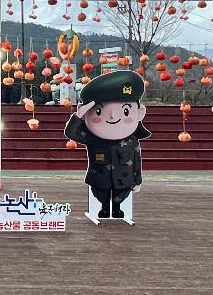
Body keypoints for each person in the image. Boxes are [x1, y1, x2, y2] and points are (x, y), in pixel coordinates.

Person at [64, 70, 151, 221]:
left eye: (125, 111)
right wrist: (78, 116)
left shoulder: (132, 141)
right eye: (99, 111)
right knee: (101, 194)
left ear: (140, 112)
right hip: (99, 177)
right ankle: (104, 208)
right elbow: (71, 134)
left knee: (120, 195)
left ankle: (117, 208)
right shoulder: (93, 138)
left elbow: (137, 161)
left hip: (124, 179)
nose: (112, 116)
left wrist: (138, 180)